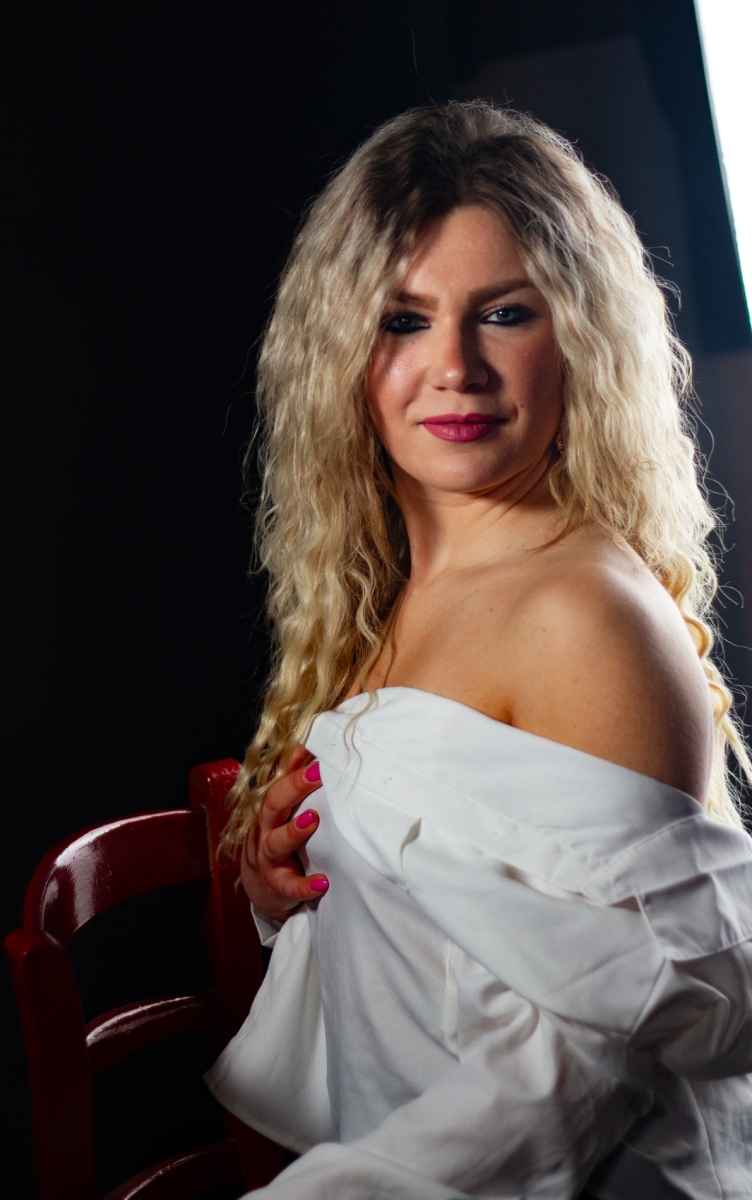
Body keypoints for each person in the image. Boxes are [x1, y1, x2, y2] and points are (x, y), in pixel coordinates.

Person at [205, 102, 752, 1199]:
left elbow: (597, 1055)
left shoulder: (580, 613)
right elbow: (450, 936)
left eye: (502, 313)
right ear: (338, 352)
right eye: (402, 320)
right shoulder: (386, 603)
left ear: (578, 338)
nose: (453, 366)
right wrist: (293, 891)